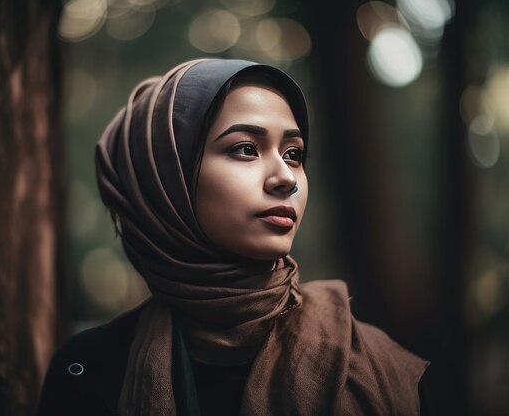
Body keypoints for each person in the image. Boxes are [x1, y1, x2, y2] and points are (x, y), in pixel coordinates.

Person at [36, 59, 430, 416]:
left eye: (293, 154)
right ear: (166, 179)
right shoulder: (90, 371)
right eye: (245, 149)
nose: (286, 178)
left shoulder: (378, 367)